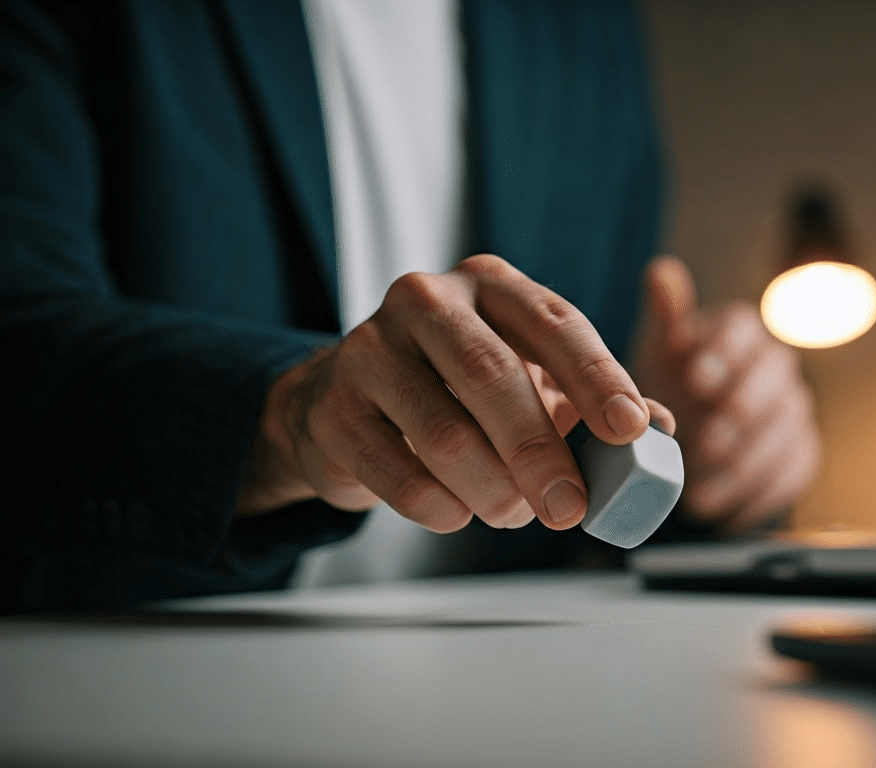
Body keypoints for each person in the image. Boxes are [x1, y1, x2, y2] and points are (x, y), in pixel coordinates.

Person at [0, 0, 820, 613]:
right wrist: (288, 416)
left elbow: (587, 461)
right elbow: (20, 336)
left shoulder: (585, 22)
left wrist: (718, 463)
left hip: (516, 699)